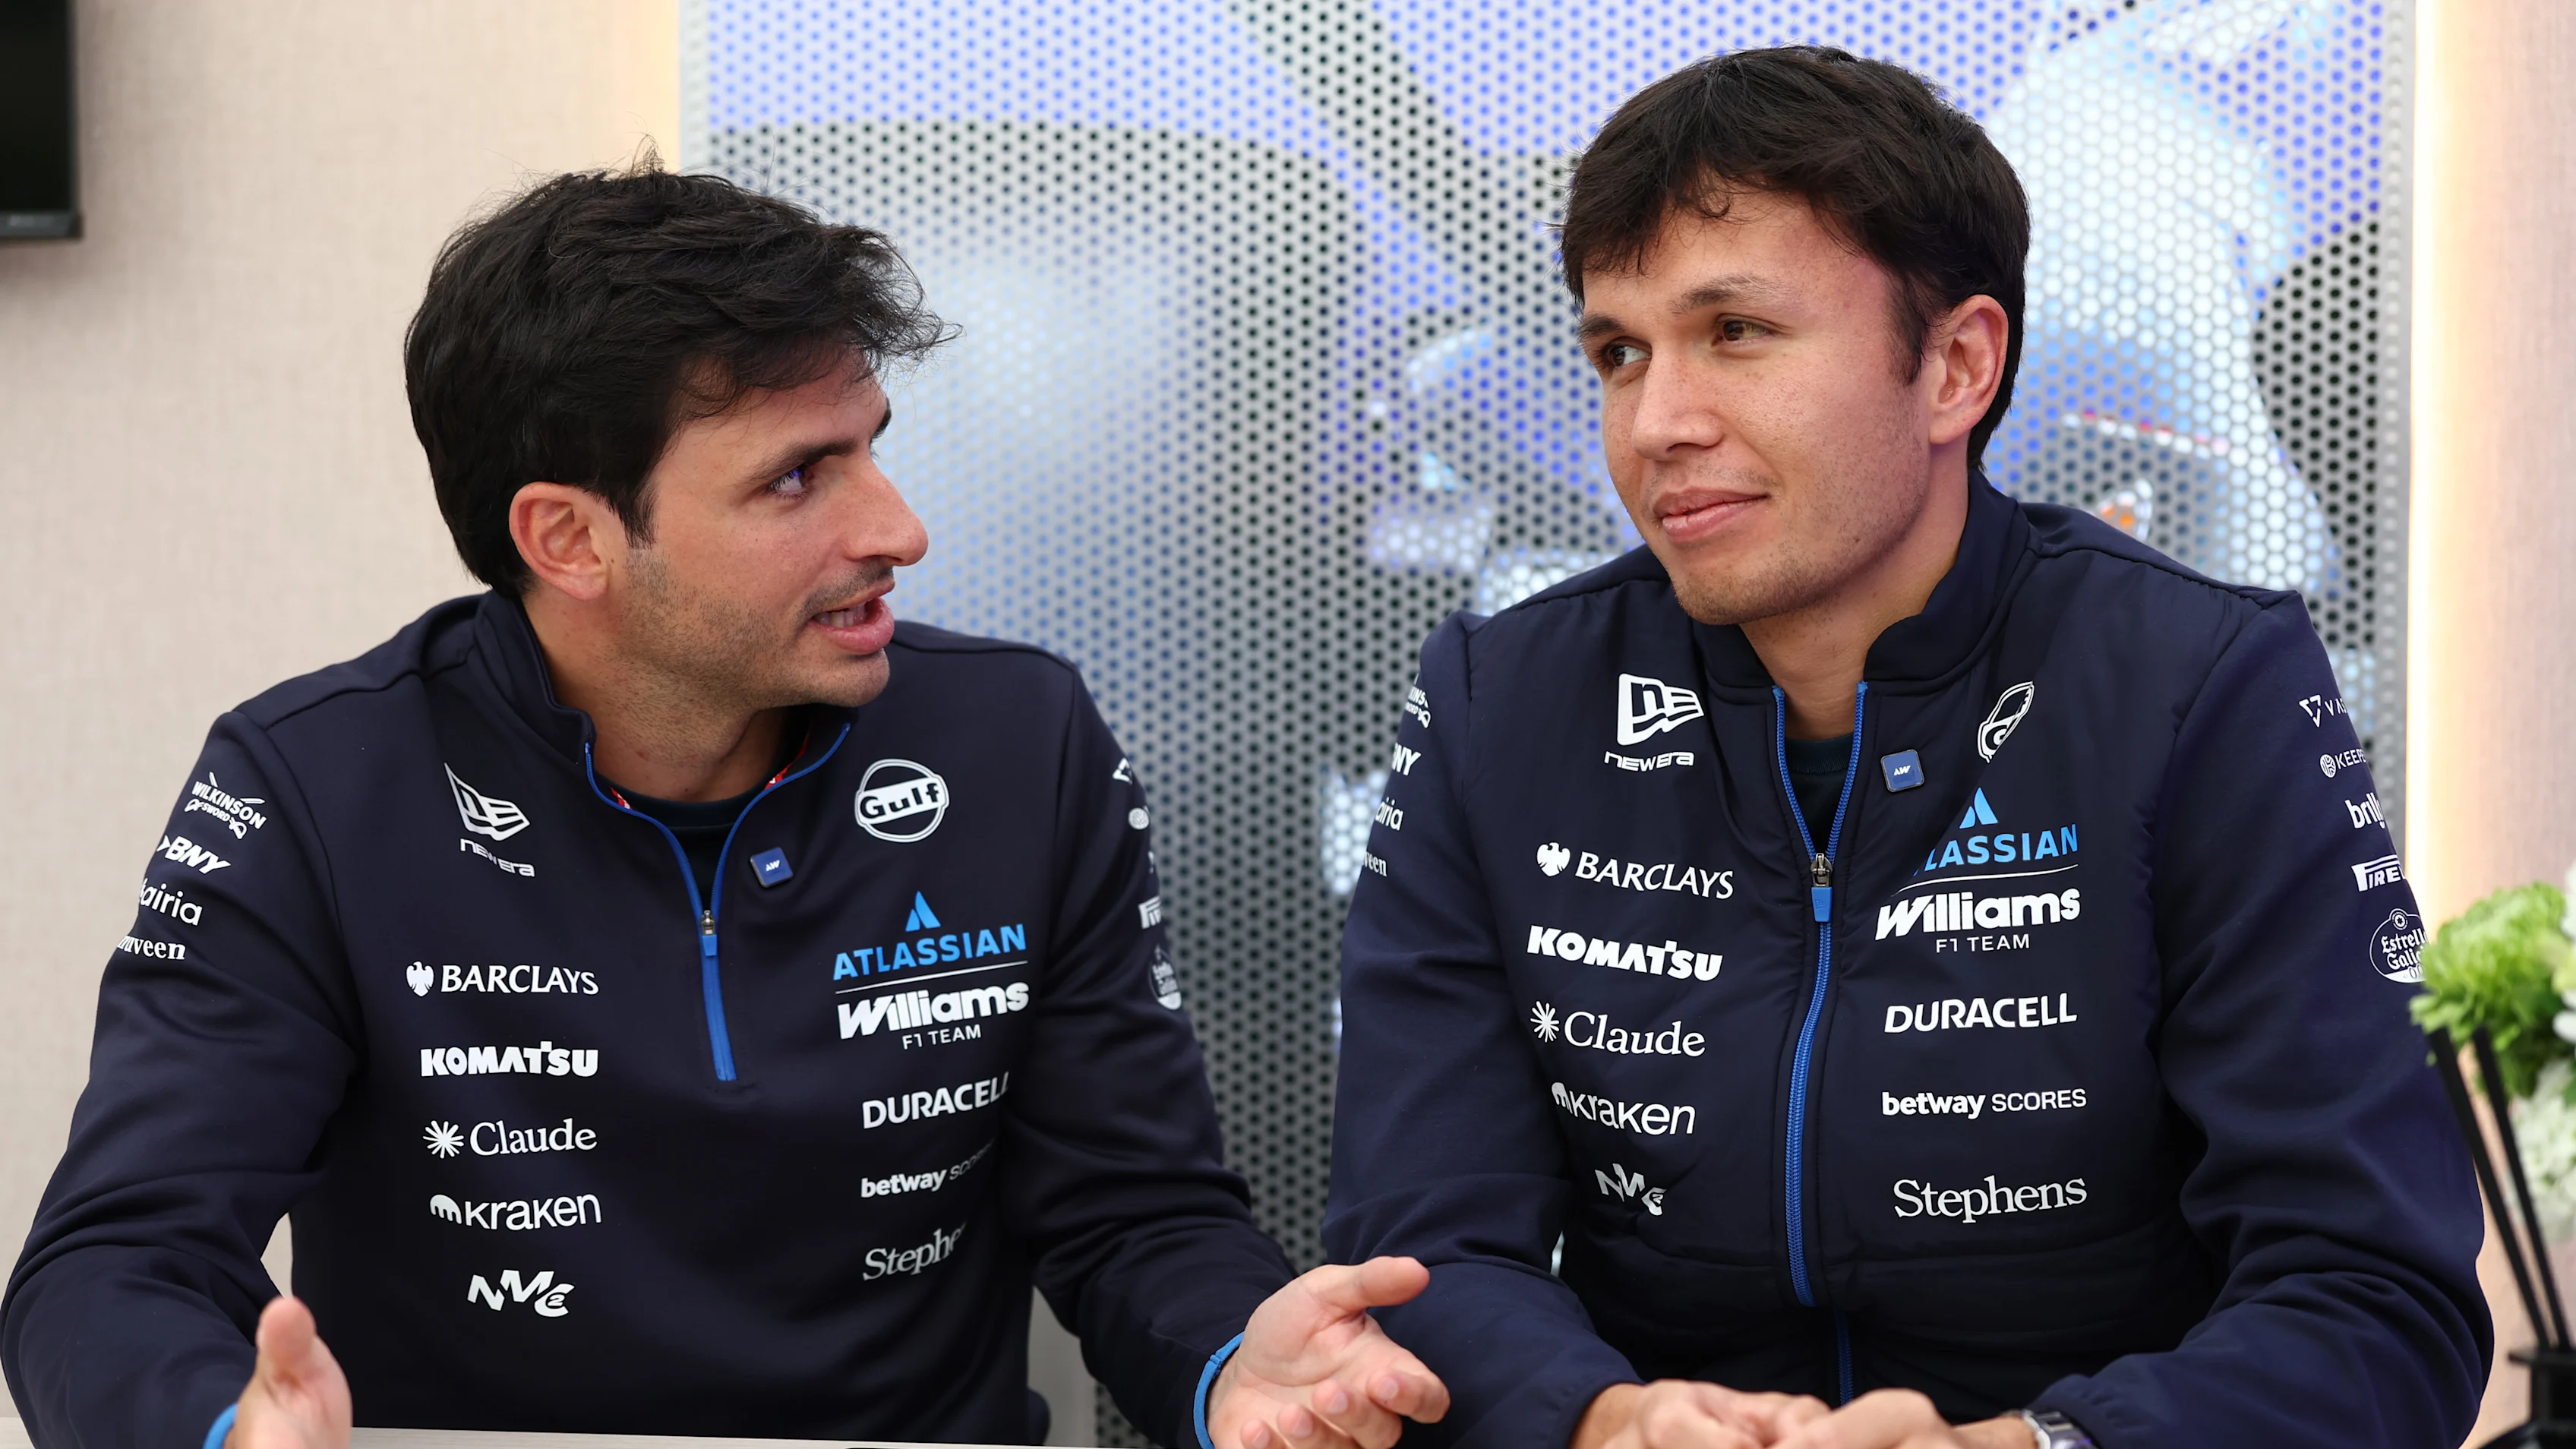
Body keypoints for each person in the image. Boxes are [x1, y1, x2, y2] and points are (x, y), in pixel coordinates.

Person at [2, 166, 1446, 1449]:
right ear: (568, 538)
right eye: (798, 478)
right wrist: (212, 1428)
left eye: (870, 444)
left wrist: (1231, 1367)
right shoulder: (313, 786)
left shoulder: (1021, 739)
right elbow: (113, 1262)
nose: (897, 529)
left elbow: (1134, 1216)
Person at [1324, 46, 2487, 1449]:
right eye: (1621, 351)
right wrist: (1598, 1420)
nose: (1658, 424)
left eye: (1736, 331)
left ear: (1956, 365)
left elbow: (2374, 1306)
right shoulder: (1498, 700)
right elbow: (1417, 1255)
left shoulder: (2206, 685)